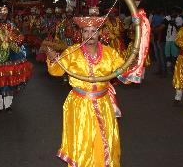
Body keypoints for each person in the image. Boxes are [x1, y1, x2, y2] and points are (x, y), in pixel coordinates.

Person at [46, 15, 125, 167]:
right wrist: (52, 59)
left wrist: (133, 62)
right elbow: (56, 71)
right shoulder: (72, 52)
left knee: (105, 142)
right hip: (79, 106)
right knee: (84, 143)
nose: (90, 35)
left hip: (104, 104)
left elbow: (124, 72)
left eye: (94, 31)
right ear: (81, 34)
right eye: (86, 31)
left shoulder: (110, 53)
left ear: (100, 33)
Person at [164, 9, 183, 75]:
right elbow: (164, 23)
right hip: (168, 39)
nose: (172, 13)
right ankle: (170, 70)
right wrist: (169, 21)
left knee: (174, 56)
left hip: (175, 39)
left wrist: (173, 23)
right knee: (167, 55)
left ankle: (175, 71)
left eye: (173, 12)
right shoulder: (168, 18)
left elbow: (180, 29)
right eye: (171, 12)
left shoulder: (179, 19)